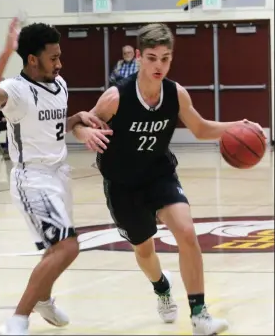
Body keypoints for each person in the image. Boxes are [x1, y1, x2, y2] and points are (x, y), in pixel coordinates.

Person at [72, 23, 265, 335]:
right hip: (122, 183)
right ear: (139, 57)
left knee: (187, 232)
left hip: (158, 173)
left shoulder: (176, 94)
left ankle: (199, 314)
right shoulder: (115, 97)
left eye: (164, 58)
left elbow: (201, 129)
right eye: (151, 58)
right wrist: (86, 132)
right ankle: (162, 288)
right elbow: (81, 122)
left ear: (171, 59)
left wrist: (238, 125)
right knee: (144, 250)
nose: (158, 65)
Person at [0, 18, 111, 335]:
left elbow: (53, 125)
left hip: (60, 175)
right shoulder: (15, 91)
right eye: (53, 57)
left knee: (54, 248)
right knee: (67, 247)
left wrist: (78, 119)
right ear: (32, 59)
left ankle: (43, 299)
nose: (59, 63)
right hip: (32, 179)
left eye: (59, 56)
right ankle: (17, 319)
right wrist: (5, 52)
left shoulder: (59, 85)